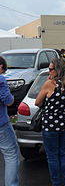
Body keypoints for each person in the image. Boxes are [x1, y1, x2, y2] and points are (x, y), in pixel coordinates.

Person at [35, 58, 65, 186]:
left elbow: (37, 102)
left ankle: (56, 183)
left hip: (51, 126)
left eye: (51, 69)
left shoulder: (49, 84)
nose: (49, 71)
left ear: (58, 70)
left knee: (52, 156)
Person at [0, 56, 20, 186]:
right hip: (1, 124)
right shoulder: (1, 80)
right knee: (12, 155)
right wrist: (12, 97)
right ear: (1, 66)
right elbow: (8, 101)